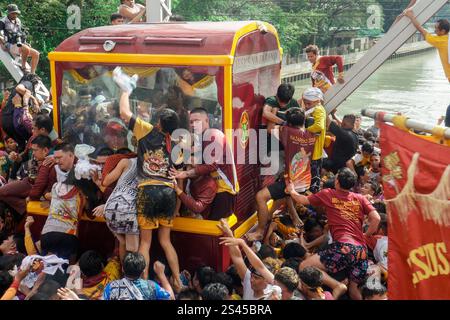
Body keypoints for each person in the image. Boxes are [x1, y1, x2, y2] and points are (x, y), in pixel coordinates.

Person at [113, 67, 183, 292]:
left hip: (148, 191)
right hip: (169, 193)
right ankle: (178, 281)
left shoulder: (146, 130)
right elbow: (179, 176)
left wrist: (126, 89)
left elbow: (124, 113)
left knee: (145, 242)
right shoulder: (178, 144)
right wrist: (179, 203)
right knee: (166, 241)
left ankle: (142, 284)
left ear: (160, 123)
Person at [286, 168, 381, 300]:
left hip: (344, 248)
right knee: (353, 291)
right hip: (361, 251)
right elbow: (376, 218)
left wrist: (291, 190)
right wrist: (366, 235)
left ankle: (336, 286)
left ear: (337, 182)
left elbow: (302, 200)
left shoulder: (329, 194)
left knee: (304, 266)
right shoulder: (360, 198)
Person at [247, 108, 315, 241]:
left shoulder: (287, 131)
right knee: (282, 188)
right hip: (305, 181)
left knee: (260, 197)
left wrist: (275, 115)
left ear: (289, 123)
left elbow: (271, 128)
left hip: (292, 182)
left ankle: (260, 231)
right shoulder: (311, 135)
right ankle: (279, 215)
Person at [171, 108, 238, 220]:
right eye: (191, 122)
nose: (193, 125)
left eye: (197, 121)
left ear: (207, 121)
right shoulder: (200, 139)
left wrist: (186, 174)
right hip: (211, 189)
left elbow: (212, 165)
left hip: (224, 190)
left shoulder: (214, 135)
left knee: (217, 227)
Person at [92, 154, 140, 262]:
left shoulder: (125, 162)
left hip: (110, 209)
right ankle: (132, 276)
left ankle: (123, 273)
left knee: (122, 243)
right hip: (128, 210)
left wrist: (105, 171)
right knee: (134, 251)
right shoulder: (152, 167)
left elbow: (105, 181)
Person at [0, 135, 56, 226]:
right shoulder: (33, 140)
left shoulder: (50, 159)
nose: (33, 153)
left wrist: (31, 197)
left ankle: (26, 208)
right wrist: (17, 157)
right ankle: (24, 206)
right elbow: (24, 155)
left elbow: (39, 186)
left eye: (35, 150)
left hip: (34, 186)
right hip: (27, 180)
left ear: (45, 150)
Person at [103, 252, 174, 300]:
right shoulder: (151, 287)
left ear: (123, 269)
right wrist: (161, 275)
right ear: (143, 271)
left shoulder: (111, 287)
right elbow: (171, 298)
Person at [404, 9, 450, 82]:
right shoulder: (447, 38)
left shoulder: (439, 41)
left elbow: (421, 30)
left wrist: (411, 16)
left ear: (443, 31)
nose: (434, 31)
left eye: (436, 29)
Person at [0, 4, 40, 74]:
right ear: (8, 13)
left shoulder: (18, 21)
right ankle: (23, 66)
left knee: (36, 54)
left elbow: (20, 33)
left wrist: (25, 42)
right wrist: (2, 43)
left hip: (19, 45)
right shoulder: (3, 21)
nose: (15, 15)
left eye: (16, 13)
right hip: (9, 44)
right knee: (26, 49)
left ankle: (32, 74)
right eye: (13, 13)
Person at [302, 88, 326, 193]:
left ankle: (312, 201)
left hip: (315, 152)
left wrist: (304, 131)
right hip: (314, 151)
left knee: (313, 180)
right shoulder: (315, 108)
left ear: (317, 101)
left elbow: (319, 126)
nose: (306, 105)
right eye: (305, 103)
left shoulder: (318, 109)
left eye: (308, 103)